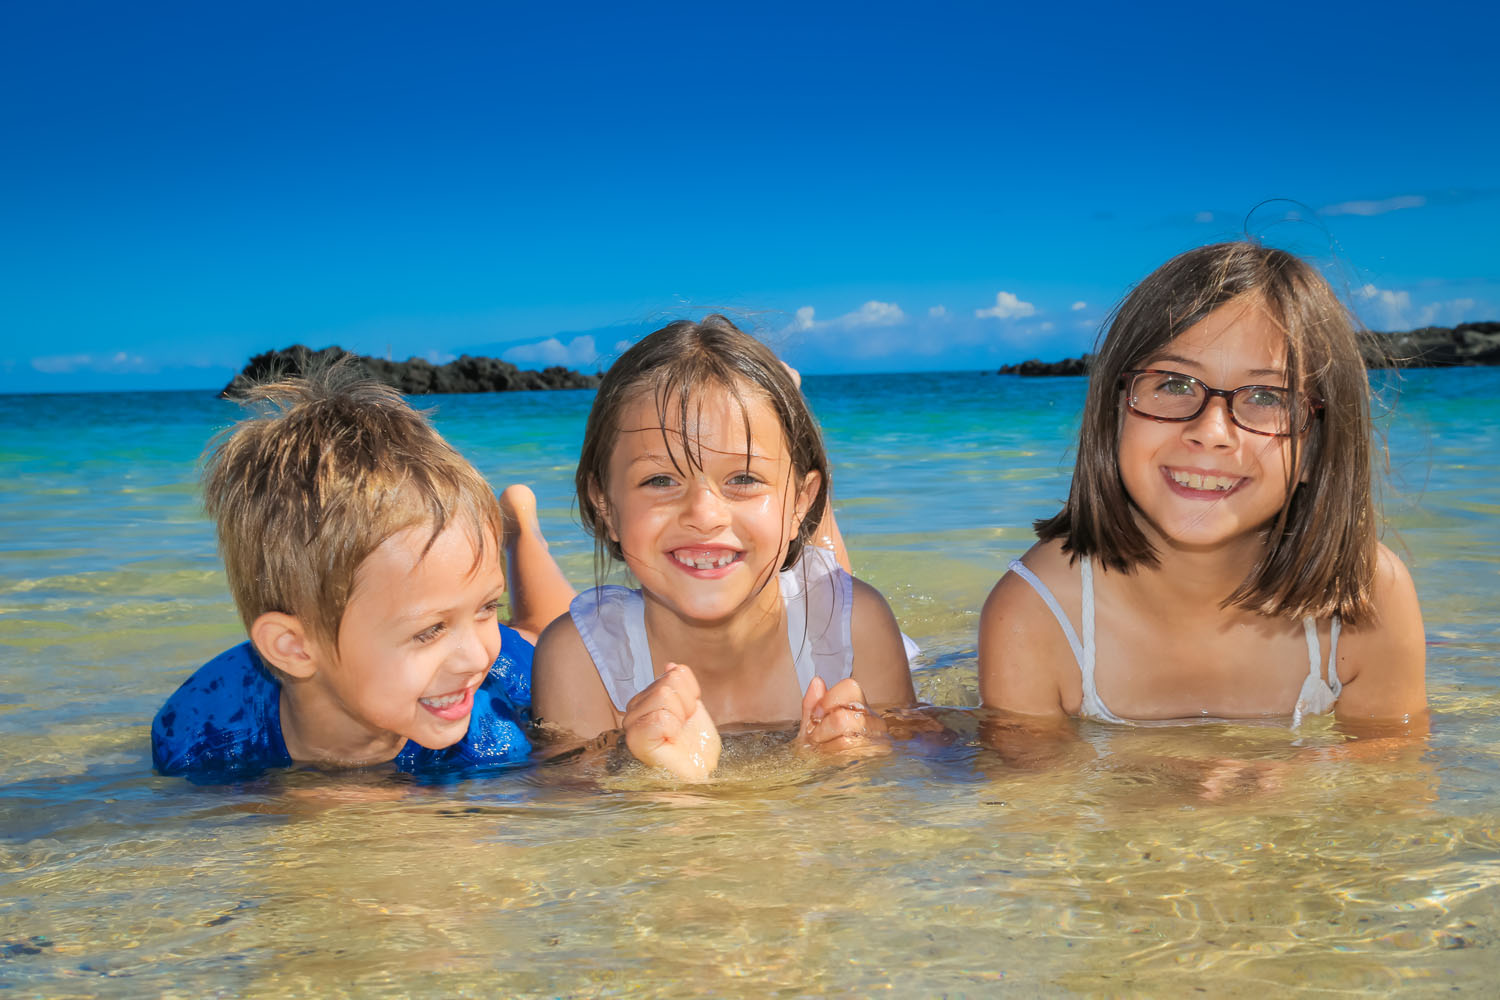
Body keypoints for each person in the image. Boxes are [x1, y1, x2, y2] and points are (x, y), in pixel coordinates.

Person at [978, 241, 1426, 730]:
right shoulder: (1036, 610)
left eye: (1265, 396)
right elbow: (1030, 798)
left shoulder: (1368, 594)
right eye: (1173, 384)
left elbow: (1390, 788)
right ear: (1113, 415)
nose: (1211, 433)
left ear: (1318, 447)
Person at [531, 315, 917, 779]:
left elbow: (920, 764)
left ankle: (788, 435)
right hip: (761, 542)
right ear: (605, 506)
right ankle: (523, 536)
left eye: (743, 478)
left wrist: (858, 764)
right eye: (660, 479)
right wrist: (654, 783)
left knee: (828, 575)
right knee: (535, 623)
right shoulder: (579, 657)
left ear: (802, 499)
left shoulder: (858, 626)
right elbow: (578, 823)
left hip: (809, 576)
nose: (704, 513)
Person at [151, 366, 577, 781]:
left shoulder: (491, 740)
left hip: (513, 672)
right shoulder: (200, 738)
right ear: (295, 648)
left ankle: (523, 530)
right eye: (428, 631)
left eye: (489, 606)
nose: (478, 655)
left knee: (552, 639)